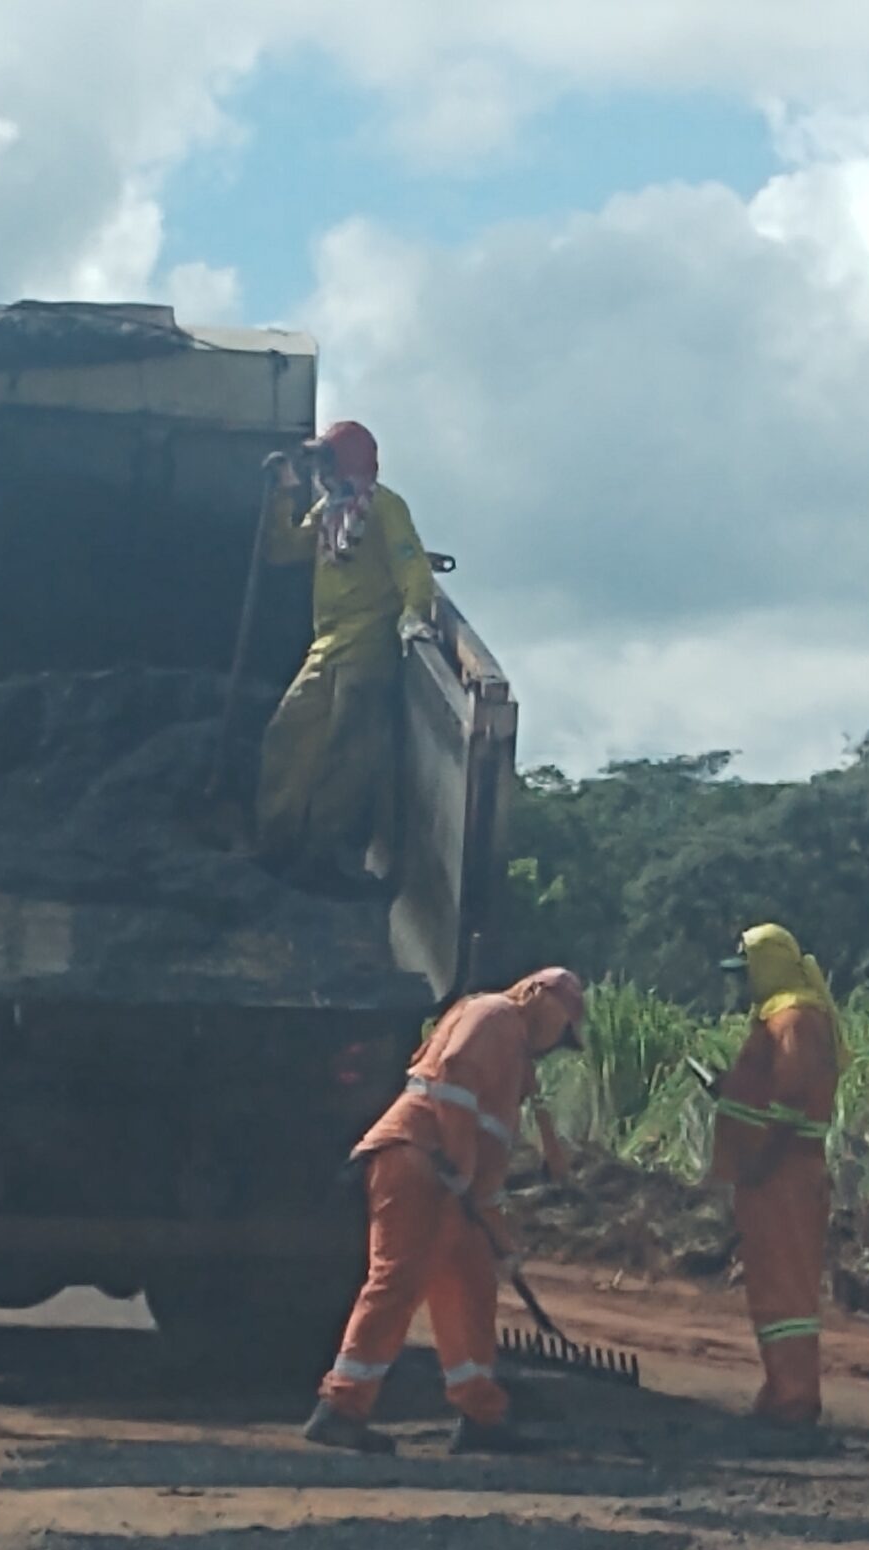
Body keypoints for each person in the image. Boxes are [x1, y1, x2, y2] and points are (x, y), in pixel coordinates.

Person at [305, 968, 586, 1456]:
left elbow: (486, 1175)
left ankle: (482, 1414)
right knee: (397, 1282)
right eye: (564, 1028)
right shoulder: (495, 1014)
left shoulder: (515, 1052)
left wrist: (502, 1242)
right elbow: (454, 1075)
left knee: (472, 1282)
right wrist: (457, 1164)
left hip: (447, 1180)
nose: (559, 1041)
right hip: (419, 1162)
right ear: (540, 995)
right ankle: (341, 1408)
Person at [254, 421, 437, 889]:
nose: (319, 469)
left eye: (325, 460)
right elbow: (281, 549)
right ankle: (275, 845)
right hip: (327, 648)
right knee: (286, 736)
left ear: (347, 462)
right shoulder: (329, 511)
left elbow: (412, 565)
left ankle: (321, 859)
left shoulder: (384, 509)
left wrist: (415, 615)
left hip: (366, 654)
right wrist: (281, 495)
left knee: (345, 759)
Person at [706, 925, 846, 1427]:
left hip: (783, 1175)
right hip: (768, 1174)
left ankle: (794, 1399)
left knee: (787, 1294)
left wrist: (764, 1163)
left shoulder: (795, 1018)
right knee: (771, 1288)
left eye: (746, 973)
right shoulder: (780, 1016)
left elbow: (791, 1101)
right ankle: (781, 1390)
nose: (741, 984)